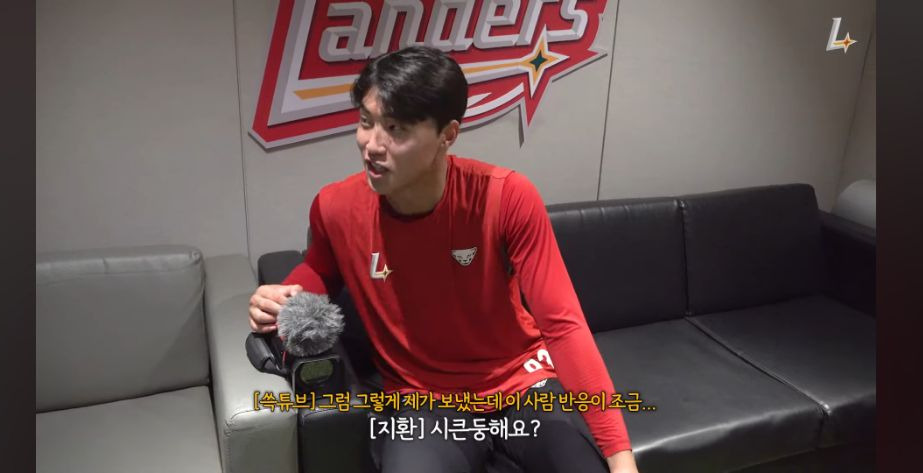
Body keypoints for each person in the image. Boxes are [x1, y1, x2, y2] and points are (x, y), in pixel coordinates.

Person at [248, 46, 639, 473]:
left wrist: (621, 460)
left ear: (447, 135)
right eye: (365, 122)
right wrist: (285, 297)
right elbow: (320, 268)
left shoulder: (506, 197)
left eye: (395, 129)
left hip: (520, 383)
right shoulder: (335, 207)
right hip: (423, 400)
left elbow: (563, 326)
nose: (372, 145)